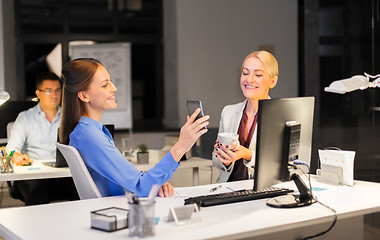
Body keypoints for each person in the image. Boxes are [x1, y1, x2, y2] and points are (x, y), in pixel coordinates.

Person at [59, 58, 209, 198]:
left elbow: (136, 182)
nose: (114, 88)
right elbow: (142, 187)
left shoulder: (86, 132)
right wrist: (181, 146)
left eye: (111, 82)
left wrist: (153, 182)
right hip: (120, 211)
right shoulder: (89, 135)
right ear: (84, 96)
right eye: (105, 85)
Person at [6, 72, 79, 205]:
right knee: (37, 194)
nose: (54, 95)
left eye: (57, 90)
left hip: (62, 174)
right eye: (48, 91)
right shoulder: (25, 118)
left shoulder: (69, 117)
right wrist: (18, 157)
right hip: (35, 175)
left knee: (82, 190)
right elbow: (11, 150)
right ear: (38, 93)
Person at [212, 51, 279, 182]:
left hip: (260, 192)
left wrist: (248, 155)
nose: (249, 79)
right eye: (245, 73)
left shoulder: (280, 117)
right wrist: (225, 160)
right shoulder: (228, 112)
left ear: (272, 81)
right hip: (227, 190)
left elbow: (280, 165)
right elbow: (215, 159)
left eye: (258, 74)